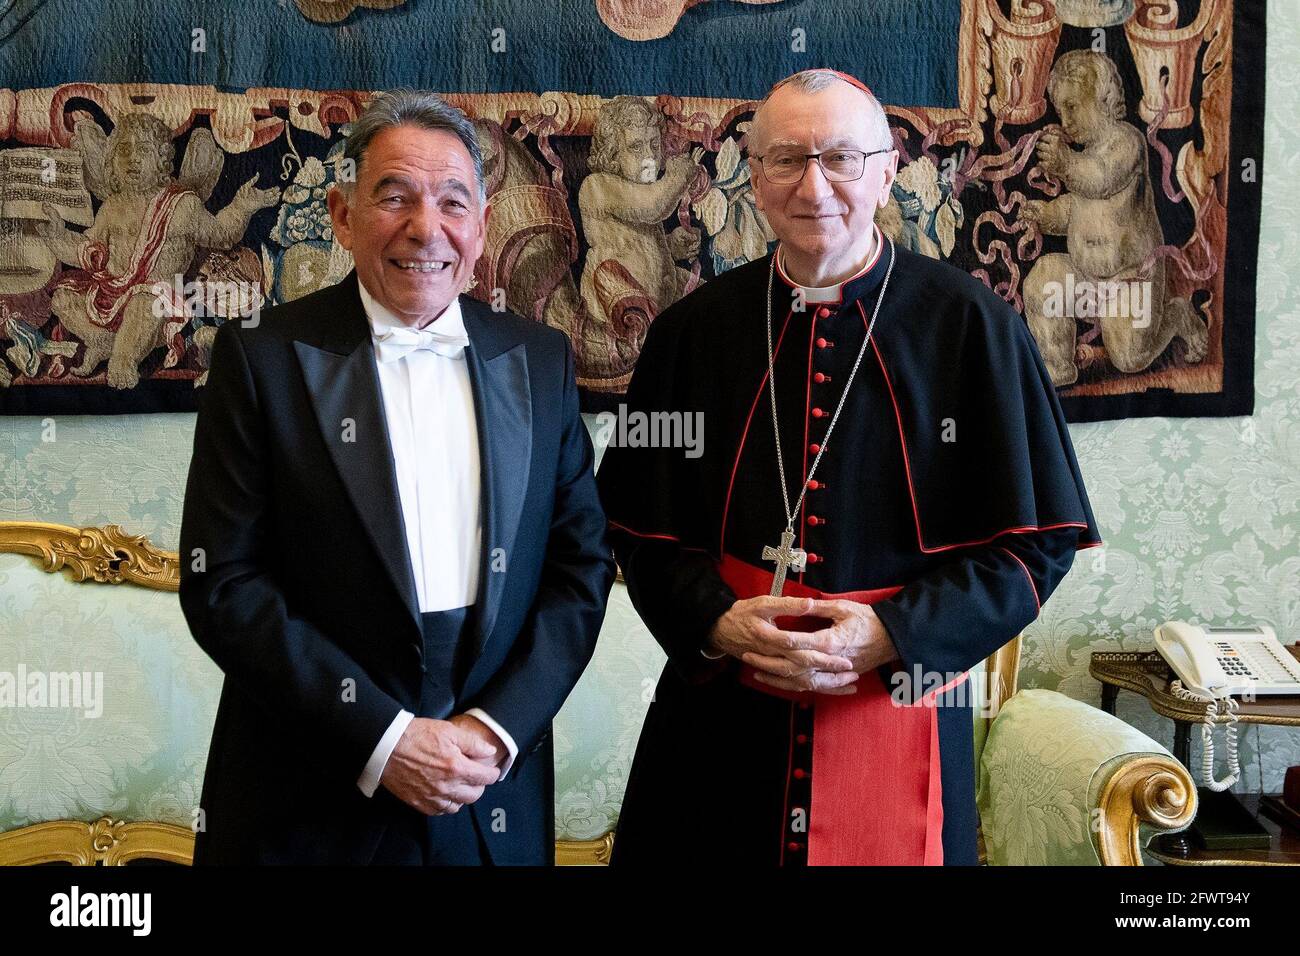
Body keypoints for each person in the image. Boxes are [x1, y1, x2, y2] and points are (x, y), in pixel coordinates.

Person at [597, 69, 1102, 866]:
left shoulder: (972, 327)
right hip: (718, 729)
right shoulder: (693, 334)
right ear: (753, 175)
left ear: (887, 168)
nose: (814, 186)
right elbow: (636, 531)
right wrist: (716, 620)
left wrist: (893, 633)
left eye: (839, 157)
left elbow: (1035, 545)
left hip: (895, 711)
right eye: (786, 159)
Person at [179, 89, 614, 865]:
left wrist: (497, 728)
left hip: (490, 792)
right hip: (309, 791)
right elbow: (224, 583)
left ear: (481, 228)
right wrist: (384, 737)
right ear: (344, 217)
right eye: (395, 197)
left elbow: (579, 568)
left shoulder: (540, 362)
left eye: (453, 202)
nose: (427, 228)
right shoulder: (261, 358)